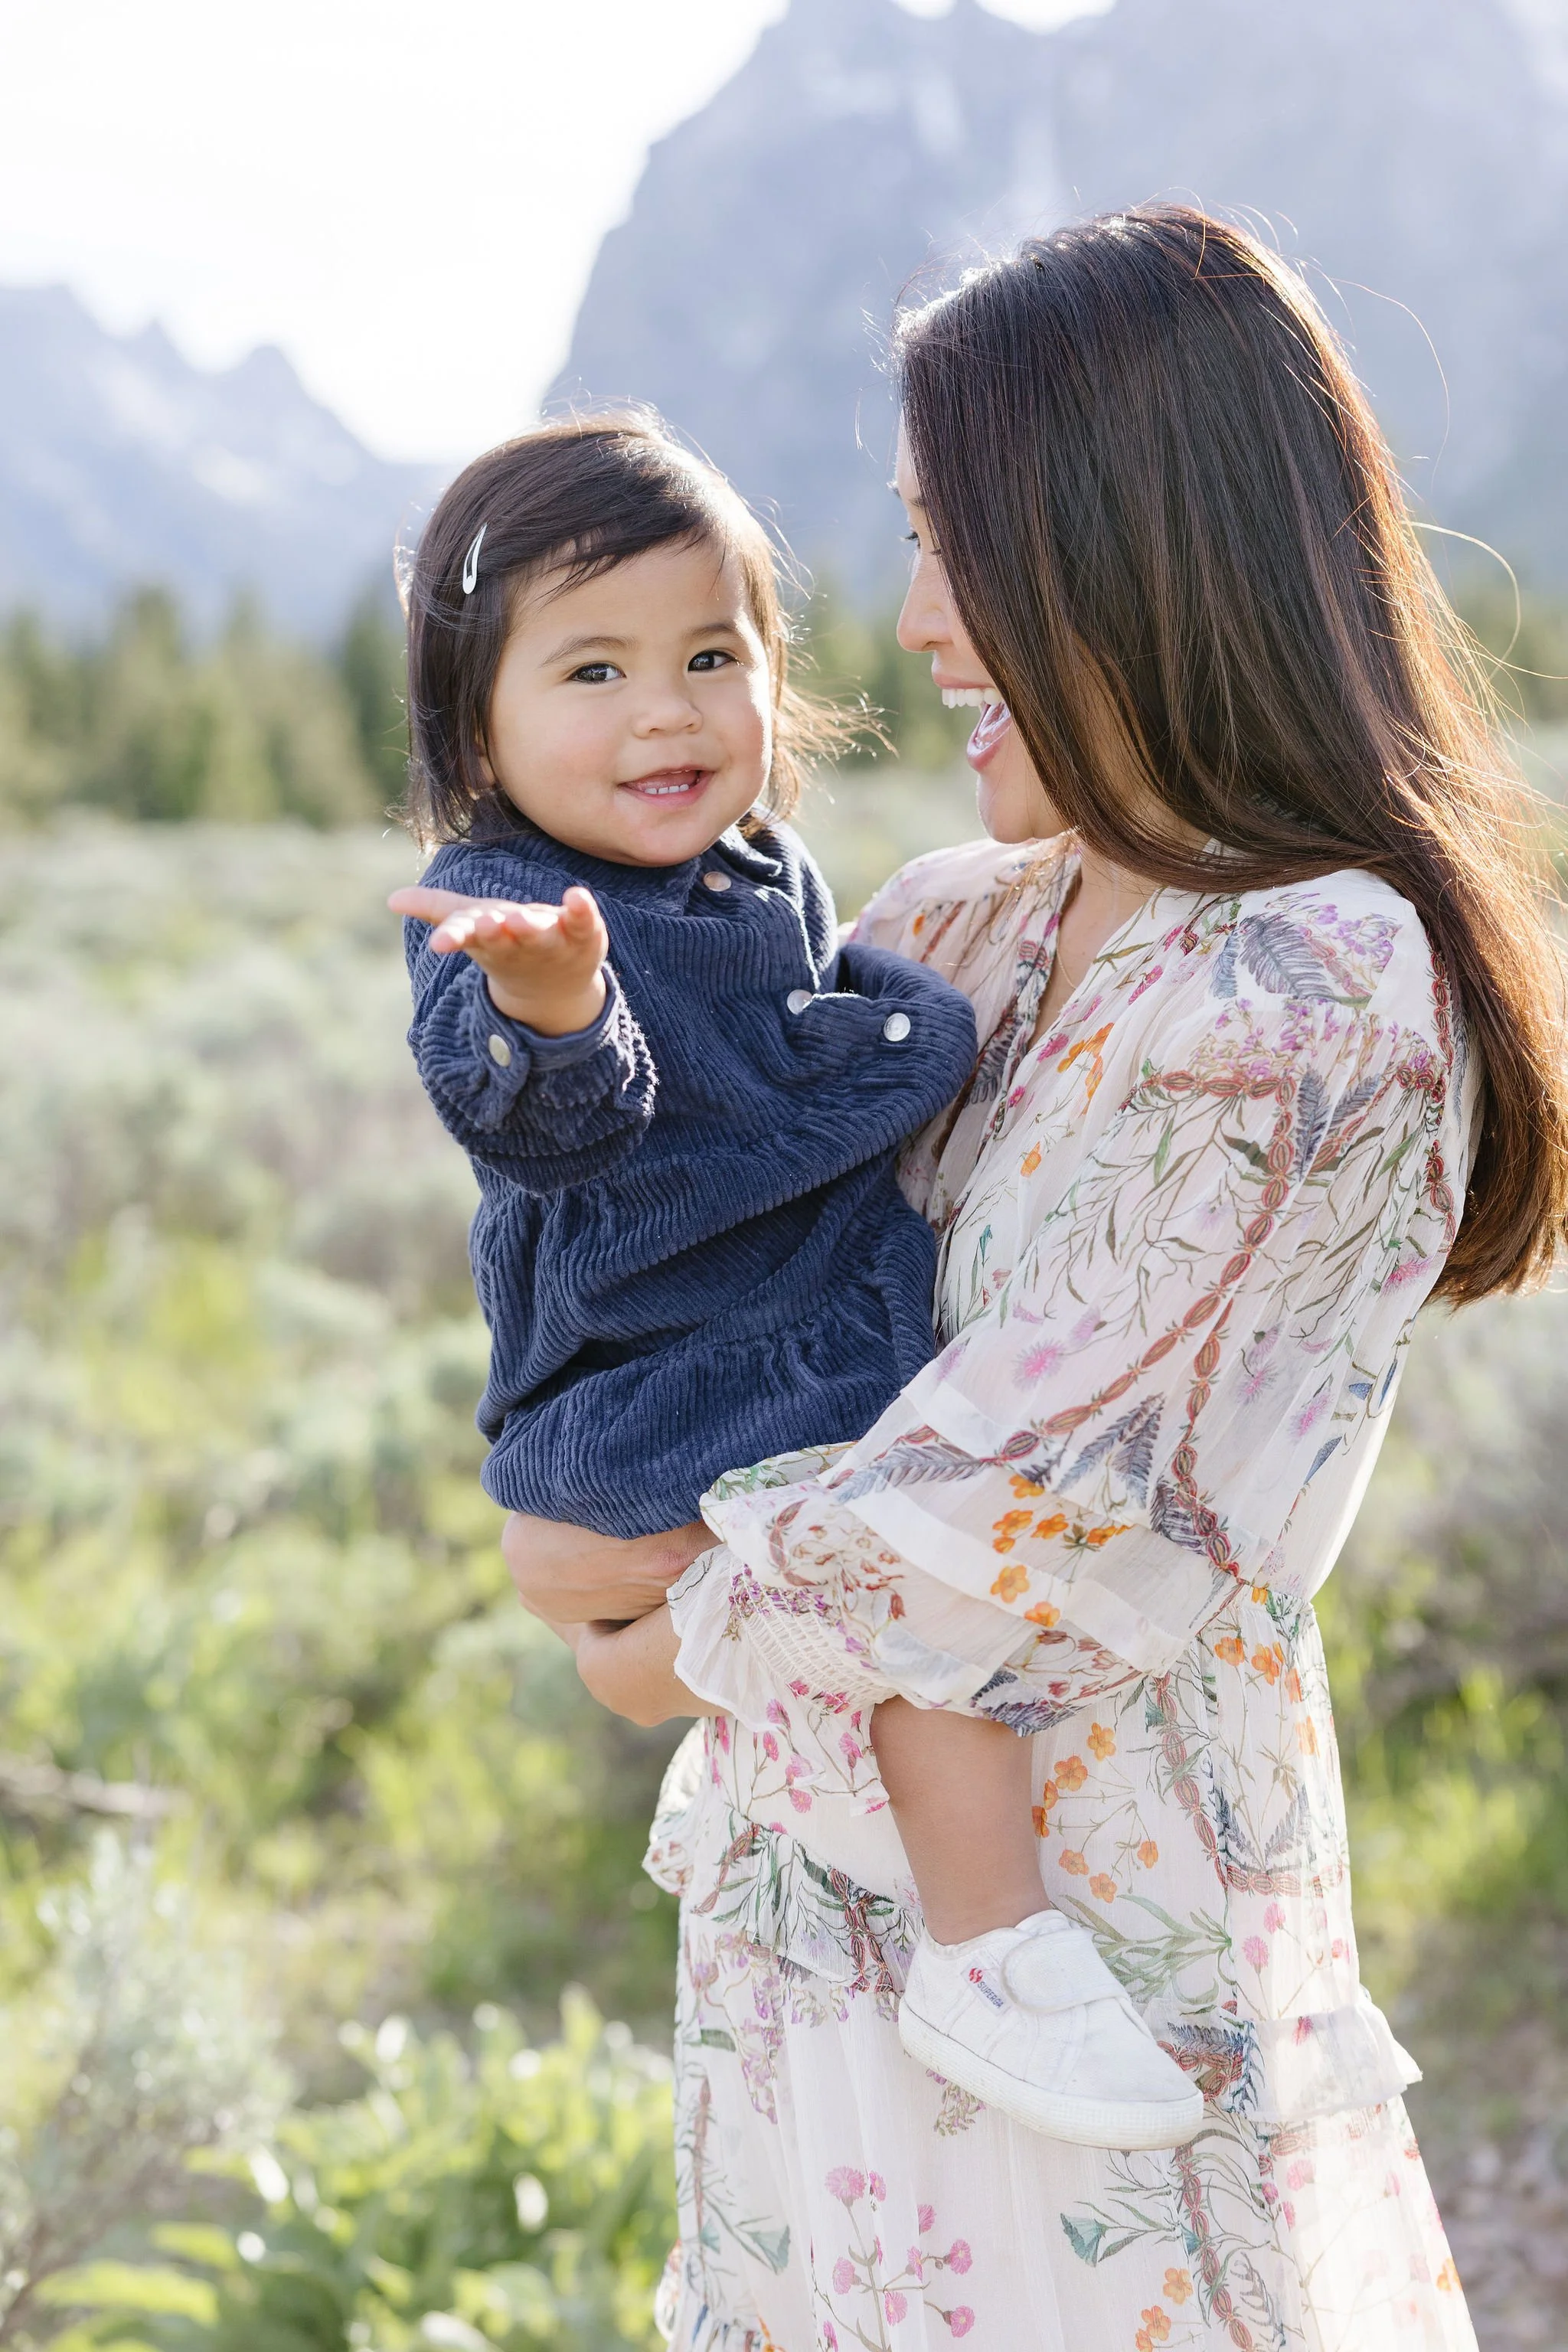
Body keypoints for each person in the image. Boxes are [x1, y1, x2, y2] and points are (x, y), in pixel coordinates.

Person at [506, 207, 1568, 2350]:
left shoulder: (1313, 974)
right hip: (816, 1986)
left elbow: (1002, 1524)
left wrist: (636, 1624)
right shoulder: (957, 930)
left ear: (1131, 549)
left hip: (1091, 2001)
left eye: (955, 543)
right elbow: (688, 1277)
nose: (907, 620)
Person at [390, 414, 1202, 2153]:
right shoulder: (504, 907)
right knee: (900, 1527)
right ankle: (990, 1949)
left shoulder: (750, 865)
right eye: (592, 670)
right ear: (480, 724)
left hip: (772, 1319)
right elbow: (544, 1117)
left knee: (893, 1523)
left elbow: (784, 1042)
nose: (666, 712)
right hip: (667, 1376)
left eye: (711, 655)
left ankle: (895, 1894)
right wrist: (551, 1008)